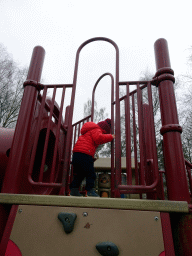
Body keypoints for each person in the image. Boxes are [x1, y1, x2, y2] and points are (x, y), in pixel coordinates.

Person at [69, 118, 115, 197]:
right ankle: (90, 191)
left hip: (77, 154)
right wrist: (111, 136)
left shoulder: (89, 131)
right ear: (105, 130)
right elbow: (98, 138)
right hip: (85, 154)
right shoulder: (97, 130)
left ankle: (74, 190)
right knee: (91, 174)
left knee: (80, 174)